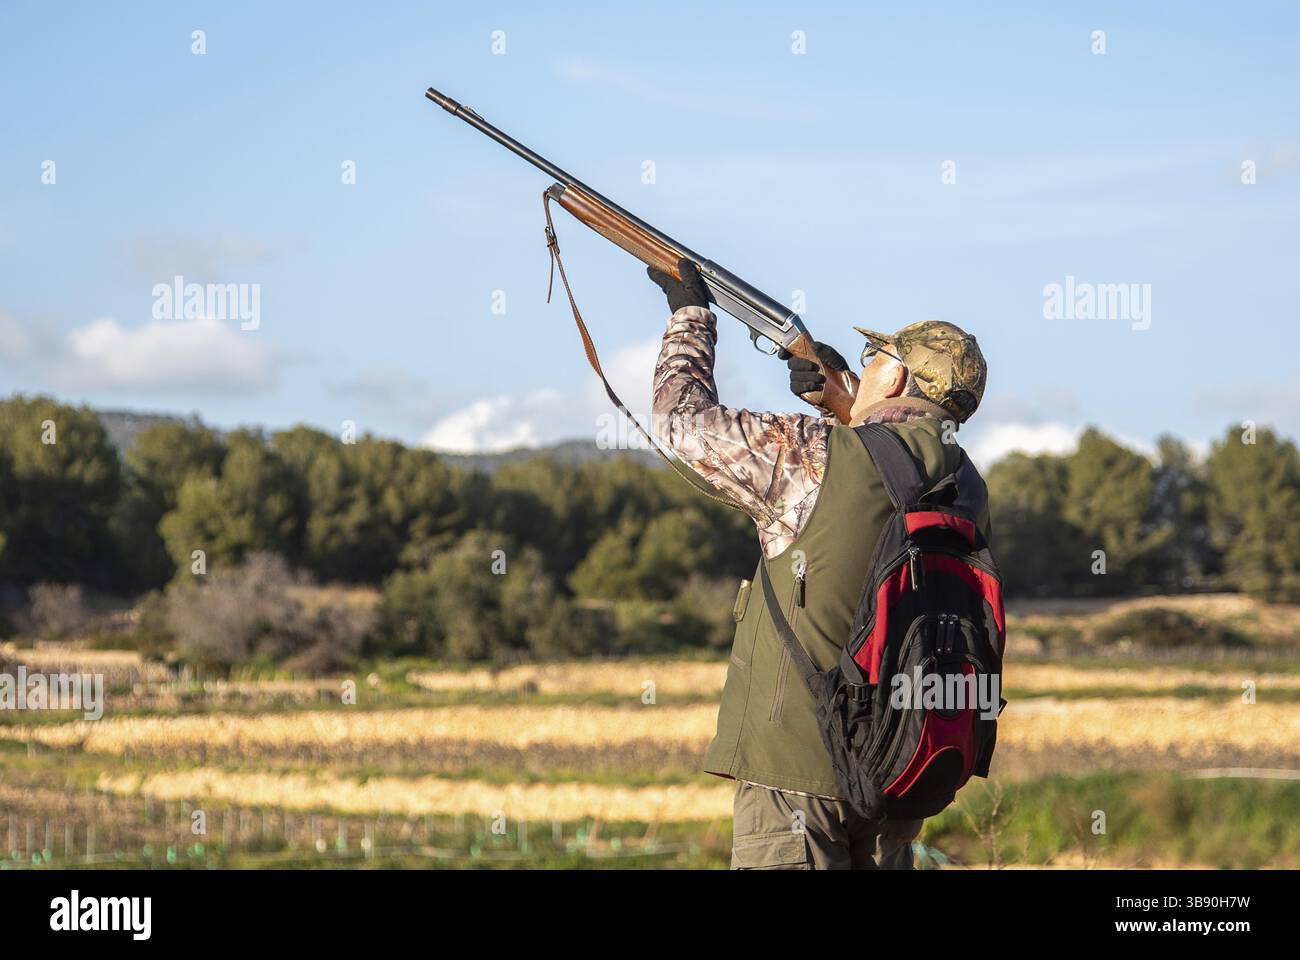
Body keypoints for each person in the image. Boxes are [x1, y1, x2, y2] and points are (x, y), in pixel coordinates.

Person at [648, 259, 989, 870]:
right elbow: (880, 490)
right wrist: (840, 403)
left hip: (797, 778)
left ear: (898, 379)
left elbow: (680, 425)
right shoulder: (968, 485)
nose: (862, 368)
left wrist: (689, 317)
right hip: (896, 773)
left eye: (875, 361)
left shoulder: (815, 454)